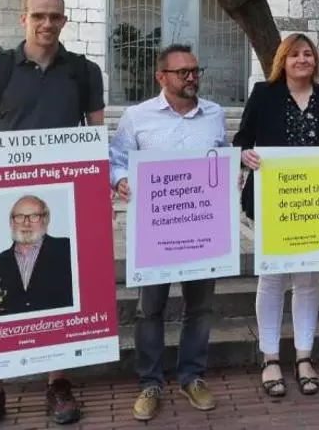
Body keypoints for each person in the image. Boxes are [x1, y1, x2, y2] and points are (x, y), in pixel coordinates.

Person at [0, 0, 105, 430]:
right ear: (23, 18)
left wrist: (101, 190)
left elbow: (96, 137)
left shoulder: (84, 72)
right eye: (38, 15)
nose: (47, 24)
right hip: (3, 194)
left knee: (57, 286)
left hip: (62, 197)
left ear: (64, 21)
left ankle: (58, 383)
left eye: (55, 16)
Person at [110, 44, 227, 420]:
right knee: (150, 309)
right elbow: (116, 159)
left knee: (200, 308)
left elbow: (221, 158)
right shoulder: (137, 116)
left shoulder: (215, 114)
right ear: (161, 77)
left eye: (195, 71)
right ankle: (150, 383)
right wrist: (122, 179)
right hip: (156, 231)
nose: (192, 78)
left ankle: (192, 376)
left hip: (202, 229)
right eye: (183, 72)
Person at [233, 33, 319, 398]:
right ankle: (270, 358)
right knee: (272, 278)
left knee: (309, 279)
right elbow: (241, 139)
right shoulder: (264, 94)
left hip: (315, 204)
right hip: (272, 201)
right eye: (294, 54)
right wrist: (244, 154)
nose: (302, 59)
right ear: (283, 59)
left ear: (315, 60)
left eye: (308, 53)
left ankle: (304, 357)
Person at [0, 195, 73, 317]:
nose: (26, 223)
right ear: (11, 222)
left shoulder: (68, 249)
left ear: (45, 220)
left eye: (34, 216)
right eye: (19, 217)